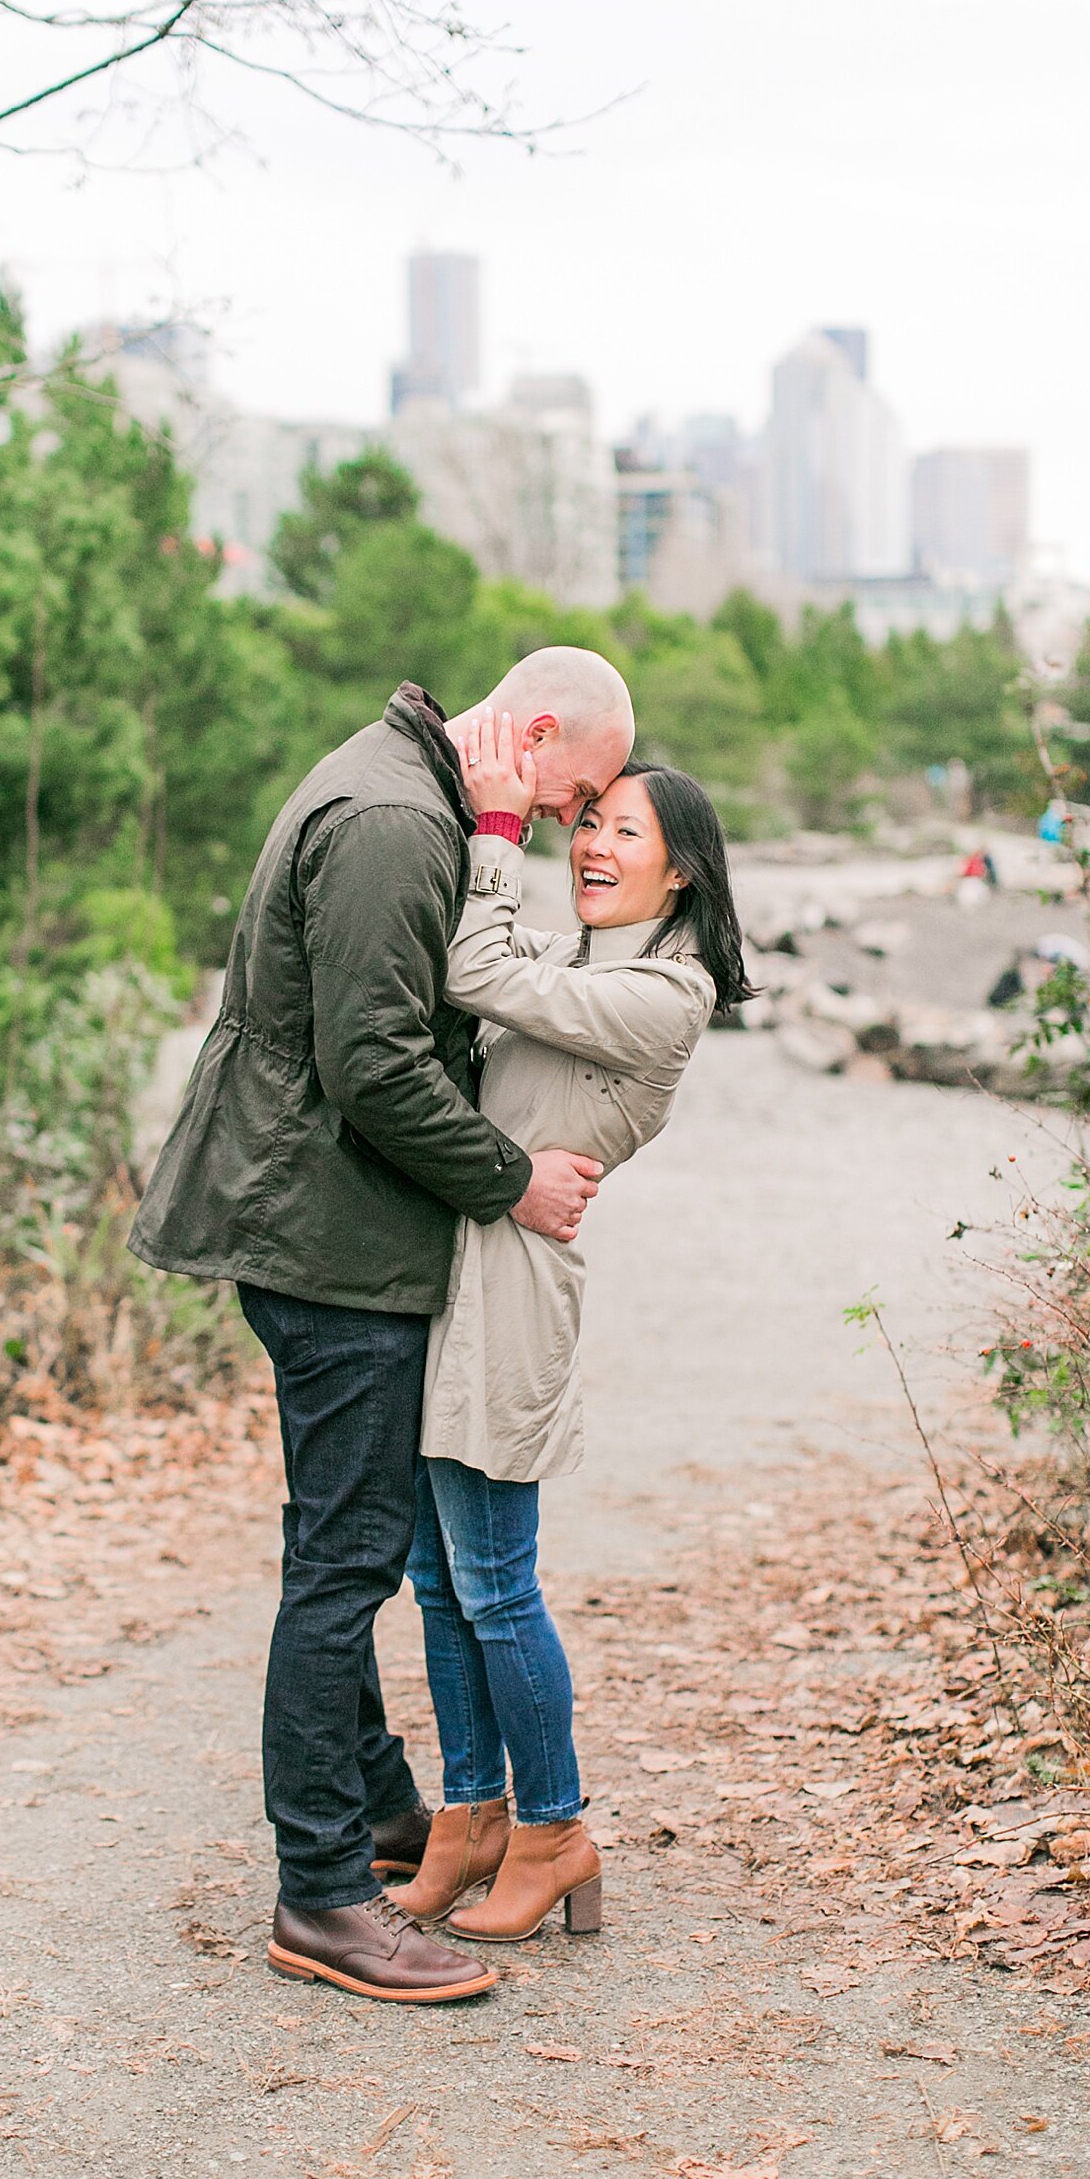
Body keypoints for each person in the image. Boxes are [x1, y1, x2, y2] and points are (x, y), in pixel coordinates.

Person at [128, 649, 634, 2002]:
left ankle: (384, 1815)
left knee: (339, 1544)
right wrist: (513, 1179)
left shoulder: (414, 793)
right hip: (327, 1240)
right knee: (345, 1565)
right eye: (576, 794)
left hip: (325, 1227)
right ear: (532, 735)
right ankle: (323, 1897)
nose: (576, 826)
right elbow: (376, 1067)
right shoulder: (396, 822)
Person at [386, 708, 753, 1943]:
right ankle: (470, 1816)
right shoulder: (588, 962)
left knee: (495, 1581)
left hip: (517, 1289)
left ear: (682, 867)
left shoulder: (667, 992)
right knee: (438, 1580)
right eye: (586, 820)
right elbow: (480, 949)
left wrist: (499, 826)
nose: (591, 840)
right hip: (459, 1266)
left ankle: (555, 1827)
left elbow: (473, 969)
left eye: (622, 827)